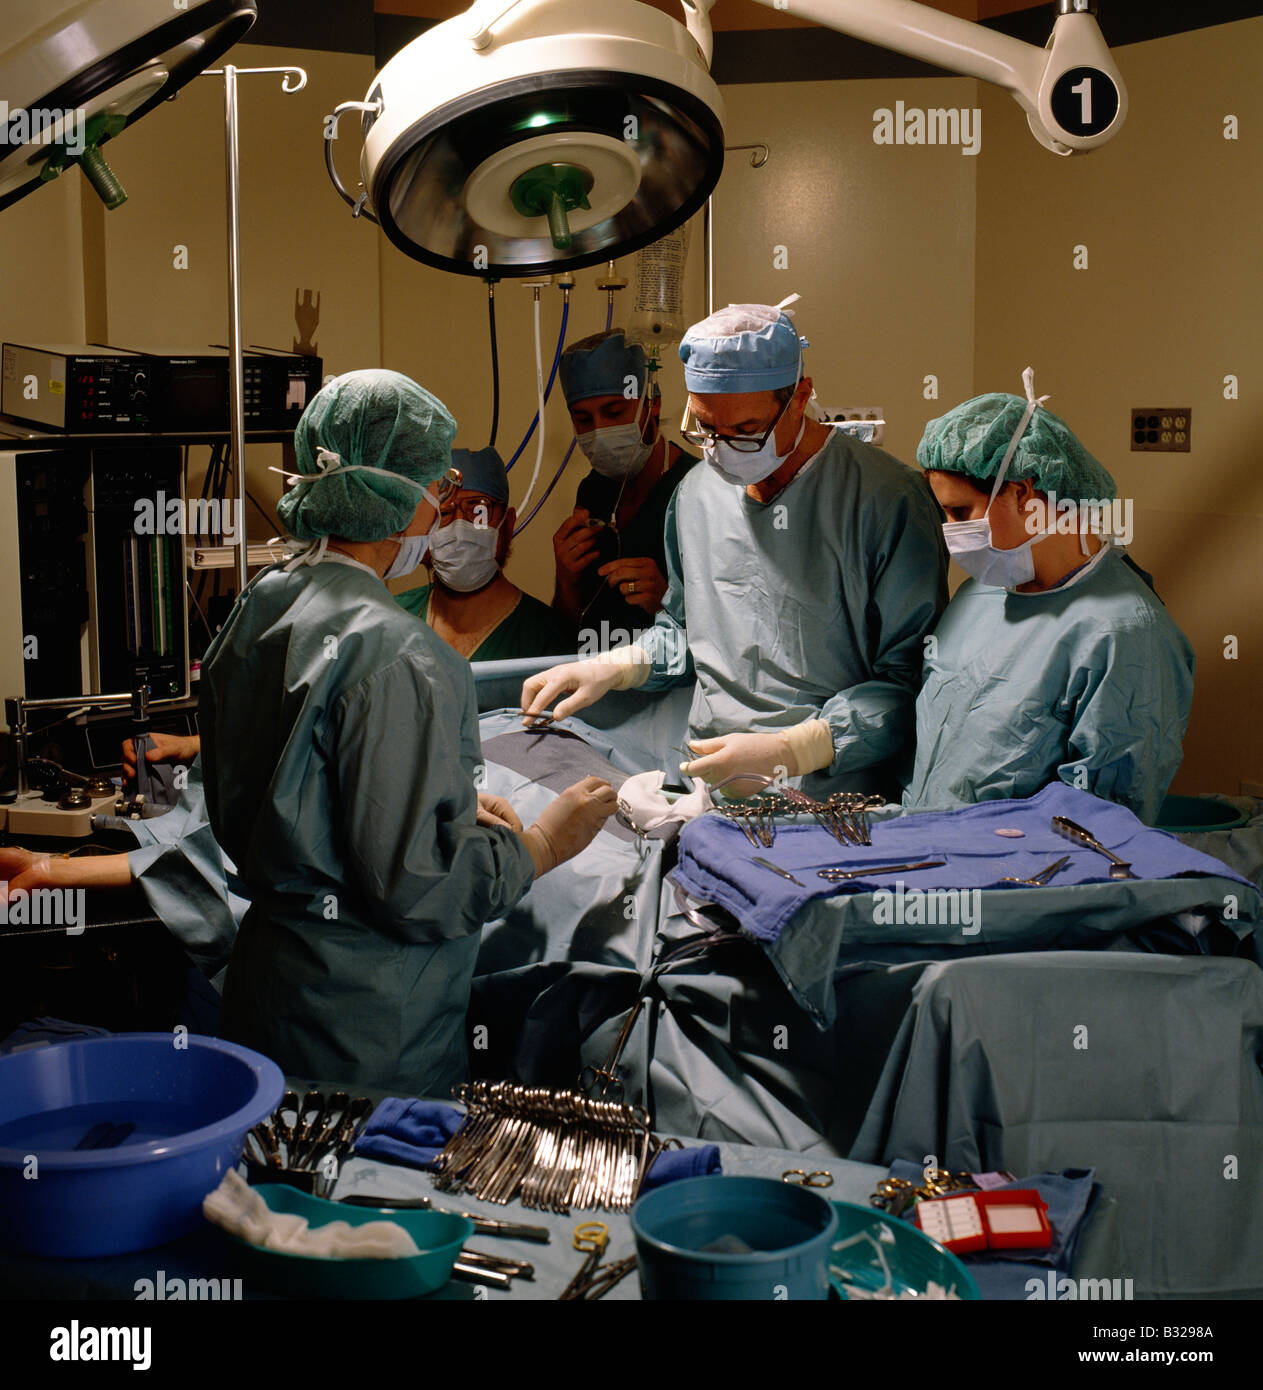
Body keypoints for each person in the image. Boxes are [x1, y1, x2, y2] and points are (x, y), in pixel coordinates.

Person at [198, 370, 616, 1094]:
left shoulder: (262, 602)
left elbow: (309, 785)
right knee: (367, 1199)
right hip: (363, 1025)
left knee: (270, 1194)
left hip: (268, 989)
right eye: (438, 481)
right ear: (401, 493)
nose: (442, 501)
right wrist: (542, 844)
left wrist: (443, 802)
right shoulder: (398, 653)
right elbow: (421, 891)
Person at [523, 300, 949, 798]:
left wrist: (797, 749)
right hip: (710, 779)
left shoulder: (886, 499)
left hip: (831, 796)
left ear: (800, 397)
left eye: (746, 431)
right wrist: (617, 665)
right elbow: (685, 632)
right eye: (706, 429)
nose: (722, 449)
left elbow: (910, 681)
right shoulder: (697, 493)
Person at [903, 371, 1195, 824]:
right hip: (926, 846)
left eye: (960, 511)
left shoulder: (1123, 635)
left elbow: (1105, 825)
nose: (951, 531)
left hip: (1021, 878)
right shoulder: (978, 595)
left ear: (1022, 494)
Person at [552, 330, 698, 640]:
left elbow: (732, 631)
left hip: (670, 684)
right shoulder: (593, 491)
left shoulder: (697, 490)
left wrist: (667, 602)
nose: (600, 431)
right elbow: (570, 627)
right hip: (600, 672)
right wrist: (566, 579)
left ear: (653, 403)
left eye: (614, 412)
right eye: (583, 419)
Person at [395, 446, 575, 660]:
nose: (459, 527)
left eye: (478, 510)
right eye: (444, 513)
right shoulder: (393, 618)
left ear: (507, 524)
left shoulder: (548, 639)